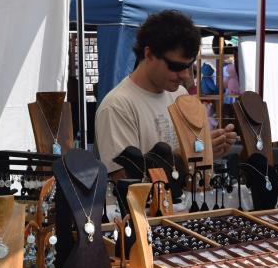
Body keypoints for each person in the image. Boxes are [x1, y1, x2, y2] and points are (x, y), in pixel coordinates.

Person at [95, 10, 237, 175]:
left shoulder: (180, 95)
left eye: (188, 66)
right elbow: (123, 179)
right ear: (149, 54)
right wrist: (189, 153)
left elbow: (191, 164)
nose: (184, 75)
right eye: (175, 67)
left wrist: (209, 151)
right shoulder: (117, 106)